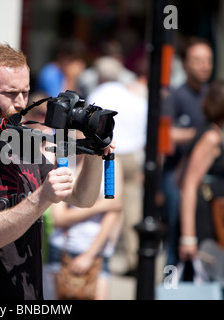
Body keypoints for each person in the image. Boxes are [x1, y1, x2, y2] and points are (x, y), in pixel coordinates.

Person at [0, 42, 115, 300]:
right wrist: (43, 196)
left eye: (25, 92)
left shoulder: (24, 143)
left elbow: (82, 198)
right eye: (11, 93)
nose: (21, 103)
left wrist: (93, 154)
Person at [178, 79, 224, 300]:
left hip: (222, 227)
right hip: (210, 227)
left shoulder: (214, 133)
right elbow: (188, 184)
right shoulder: (210, 137)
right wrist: (188, 236)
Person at [86, 55, 148, 277]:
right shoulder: (135, 97)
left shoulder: (97, 95)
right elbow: (145, 130)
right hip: (132, 155)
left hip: (109, 153)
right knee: (132, 208)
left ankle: (104, 254)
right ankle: (134, 258)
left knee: (107, 203)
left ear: (100, 75)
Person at [159, 37, 214, 267]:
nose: (204, 65)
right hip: (177, 178)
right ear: (184, 63)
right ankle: (171, 288)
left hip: (206, 177)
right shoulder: (174, 96)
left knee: (206, 237)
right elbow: (165, 135)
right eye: (198, 60)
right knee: (177, 236)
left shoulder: (212, 95)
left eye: (209, 60)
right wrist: (202, 134)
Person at [45, 152, 123, 300]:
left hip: (97, 251)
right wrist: (97, 205)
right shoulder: (63, 160)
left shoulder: (111, 161)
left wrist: (90, 254)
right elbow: (60, 218)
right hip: (63, 249)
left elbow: (115, 207)